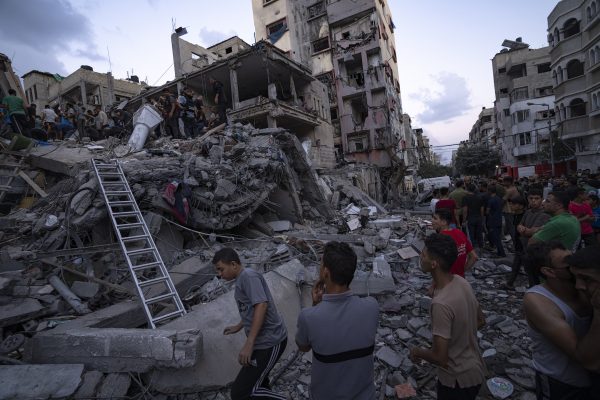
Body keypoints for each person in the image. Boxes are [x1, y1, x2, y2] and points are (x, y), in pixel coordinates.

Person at [296, 241, 378, 400]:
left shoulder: (309, 316)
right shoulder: (372, 307)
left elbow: (303, 346)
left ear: (325, 272)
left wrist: (315, 305)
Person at [410, 233, 486, 400]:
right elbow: (481, 320)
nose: (420, 258)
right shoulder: (461, 281)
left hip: (456, 380)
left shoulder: (441, 304)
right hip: (476, 367)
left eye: (423, 255)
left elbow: (441, 358)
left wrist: (417, 352)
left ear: (434, 263)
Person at [213, 248, 288, 400]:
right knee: (259, 383)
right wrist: (239, 326)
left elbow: (261, 305)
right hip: (262, 342)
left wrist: (249, 343)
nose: (220, 275)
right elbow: (251, 308)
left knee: (241, 393)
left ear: (233, 264)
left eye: (221, 269)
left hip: (270, 341)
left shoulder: (248, 276)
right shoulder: (242, 279)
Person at [523, 241, 593, 399]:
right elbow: (579, 354)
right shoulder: (537, 300)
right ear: (549, 271)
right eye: (568, 262)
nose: (575, 265)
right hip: (561, 384)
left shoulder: (585, 285)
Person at [506, 187, 550, 288]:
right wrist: (523, 229)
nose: (533, 201)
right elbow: (520, 226)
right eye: (531, 198)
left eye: (537, 198)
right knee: (519, 266)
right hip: (522, 245)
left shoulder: (544, 214)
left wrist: (524, 230)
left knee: (534, 273)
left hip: (534, 248)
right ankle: (510, 283)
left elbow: (531, 232)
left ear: (541, 199)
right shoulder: (528, 212)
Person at [432, 208, 478, 277]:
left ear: (444, 222)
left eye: (435, 218)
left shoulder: (440, 238)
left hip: (446, 281)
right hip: (460, 279)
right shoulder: (459, 233)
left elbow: (435, 265)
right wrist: (462, 271)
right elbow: (474, 257)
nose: (432, 220)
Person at [462, 183, 485, 250]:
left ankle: (472, 248)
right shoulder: (479, 197)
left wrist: (464, 220)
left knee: (470, 234)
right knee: (479, 233)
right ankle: (481, 246)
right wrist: (482, 218)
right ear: (475, 189)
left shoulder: (465, 198)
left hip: (470, 218)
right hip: (478, 217)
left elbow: (465, 210)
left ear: (467, 189)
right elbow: (482, 209)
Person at [486, 185, 506, 258]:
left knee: (496, 238)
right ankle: (499, 252)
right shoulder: (499, 199)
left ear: (490, 191)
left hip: (493, 221)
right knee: (498, 237)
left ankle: (502, 253)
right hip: (499, 219)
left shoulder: (491, 200)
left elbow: (487, 211)